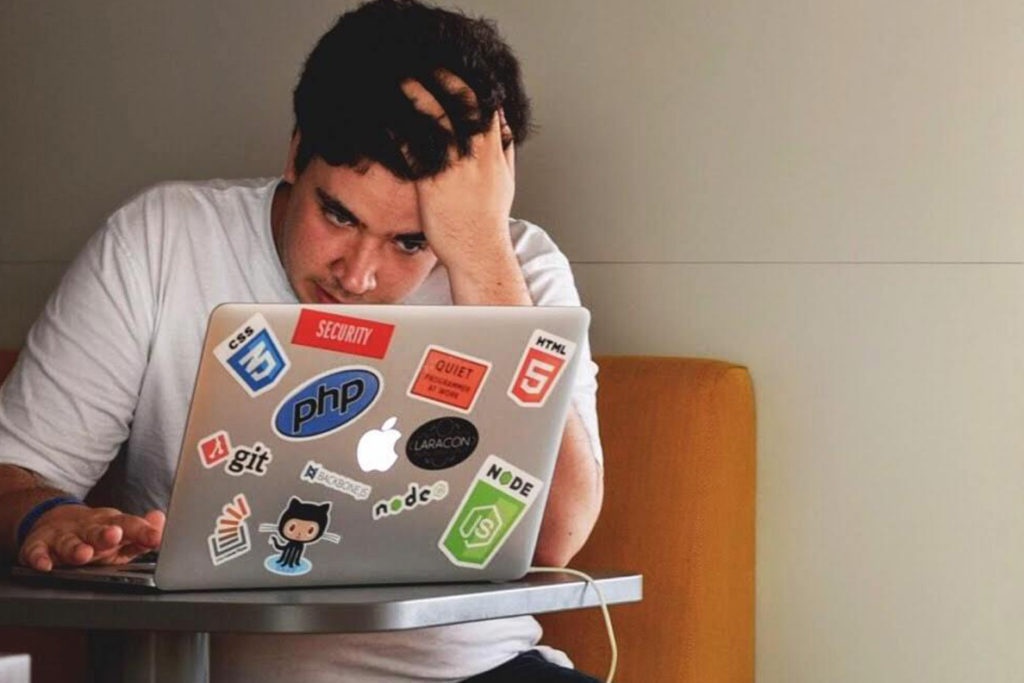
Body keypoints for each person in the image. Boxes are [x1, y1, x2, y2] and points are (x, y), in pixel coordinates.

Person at [0, 1, 604, 681]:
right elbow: (14, 471)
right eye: (337, 213)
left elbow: (558, 537)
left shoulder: (516, 267)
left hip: (480, 670)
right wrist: (47, 518)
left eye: (412, 240)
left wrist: (480, 253)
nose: (358, 273)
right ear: (295, 152)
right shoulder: (161, 241)